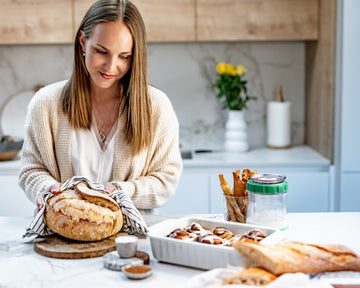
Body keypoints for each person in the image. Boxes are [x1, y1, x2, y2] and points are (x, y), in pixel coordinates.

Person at [18, 0, 182, 214]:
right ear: (83, 42)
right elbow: (31, 170)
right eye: (102, 51)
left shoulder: (156, 107)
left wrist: (119, 192)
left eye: (125, 56)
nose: (111, 66)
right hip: (65, 236)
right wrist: (48, 189)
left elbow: (165, 180)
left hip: (130, 240)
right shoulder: (45, 104)